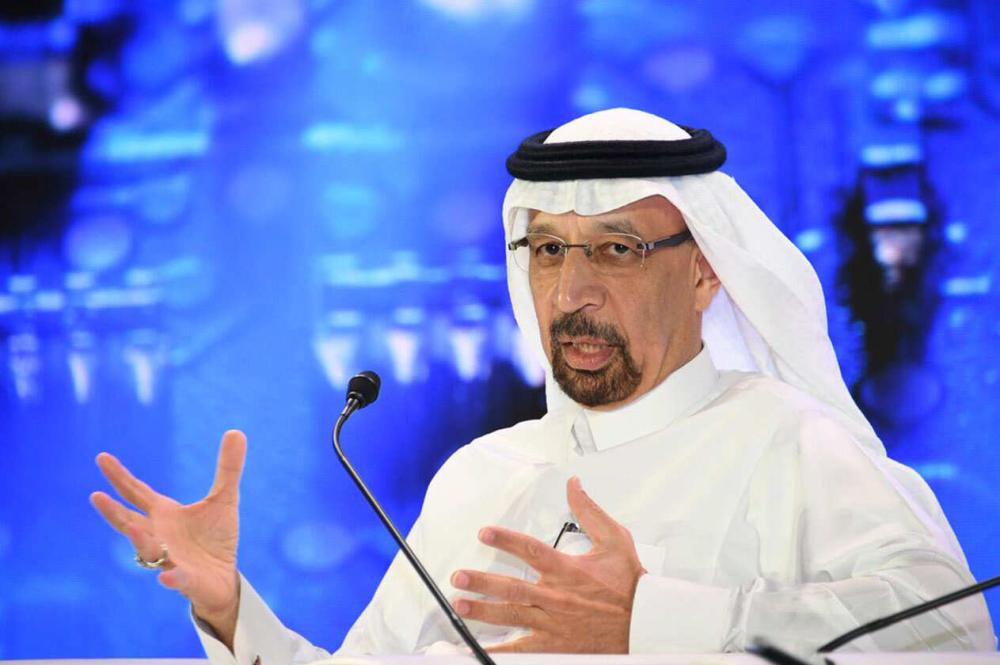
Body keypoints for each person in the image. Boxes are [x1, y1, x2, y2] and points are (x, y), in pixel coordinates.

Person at [91, 108, 996, 662]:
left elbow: (952, 641)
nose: (571, 292)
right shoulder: (482, 473)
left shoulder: (791, 441)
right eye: (549, 249)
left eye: (616, 249)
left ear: (705, 272)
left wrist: (653, 618)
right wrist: (231, 610)